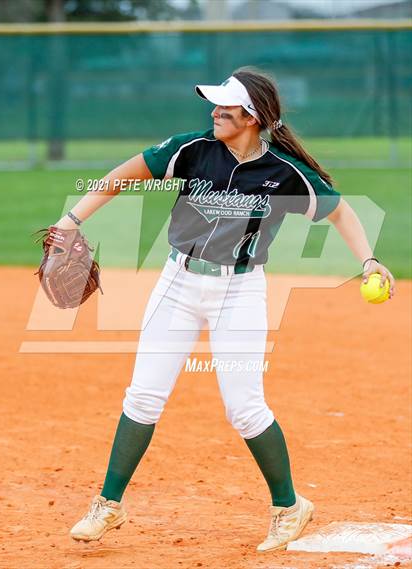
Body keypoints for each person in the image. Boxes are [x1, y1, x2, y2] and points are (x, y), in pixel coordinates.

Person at [57, 67, 395, 552]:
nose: (215, 111)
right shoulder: (190, 150)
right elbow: (121, 177)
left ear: (252, 117)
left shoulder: (283, 172)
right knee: (144, 396)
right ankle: (108, 504)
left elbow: (339, 210)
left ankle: (289, 506)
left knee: (245, 407)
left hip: (239, 292)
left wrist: (368, 260)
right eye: (215, 104)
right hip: (177, 284)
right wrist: (70, 221)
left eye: (226, 106)